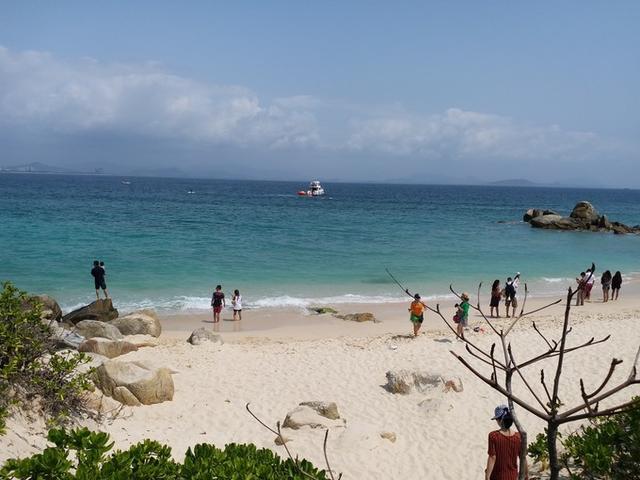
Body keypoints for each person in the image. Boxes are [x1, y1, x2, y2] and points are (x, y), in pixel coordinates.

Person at [485, 405, 527, 480]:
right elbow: (523, 458)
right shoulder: (518, 437)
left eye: (497, 419)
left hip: (497, 476)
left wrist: (487, 477)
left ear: (500, 420)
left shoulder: (493, 436)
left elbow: (492, 457)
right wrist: (526, 475)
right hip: (513, 476)